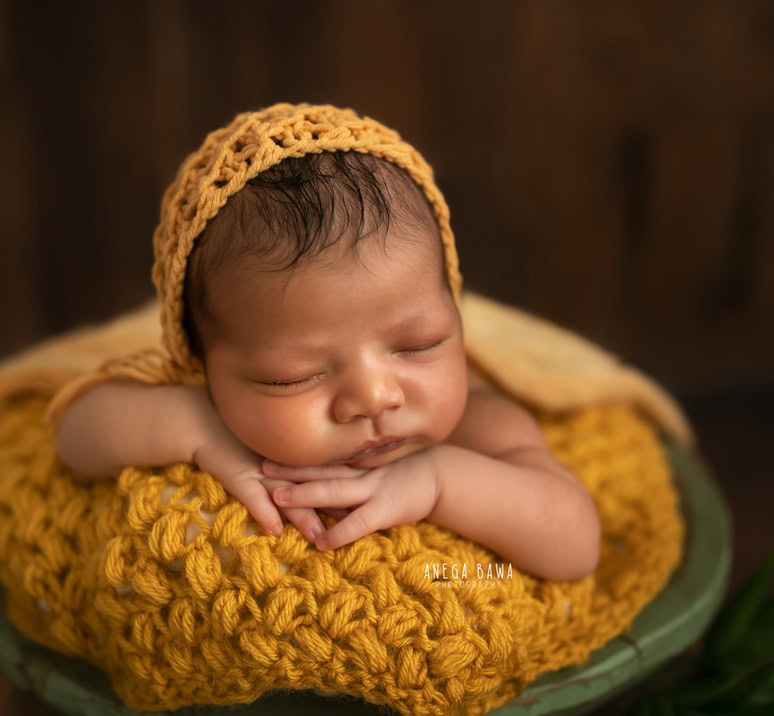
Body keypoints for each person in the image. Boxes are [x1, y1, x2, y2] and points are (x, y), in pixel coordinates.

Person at [53, 106, 600, 582]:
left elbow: (576, 545)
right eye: (292, 376)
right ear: (202, 365)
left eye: (419, 344)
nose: (373, 397)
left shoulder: (477, 423)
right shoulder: (204, 396)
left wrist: (440, 482)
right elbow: (74, 434)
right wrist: (196, 425)